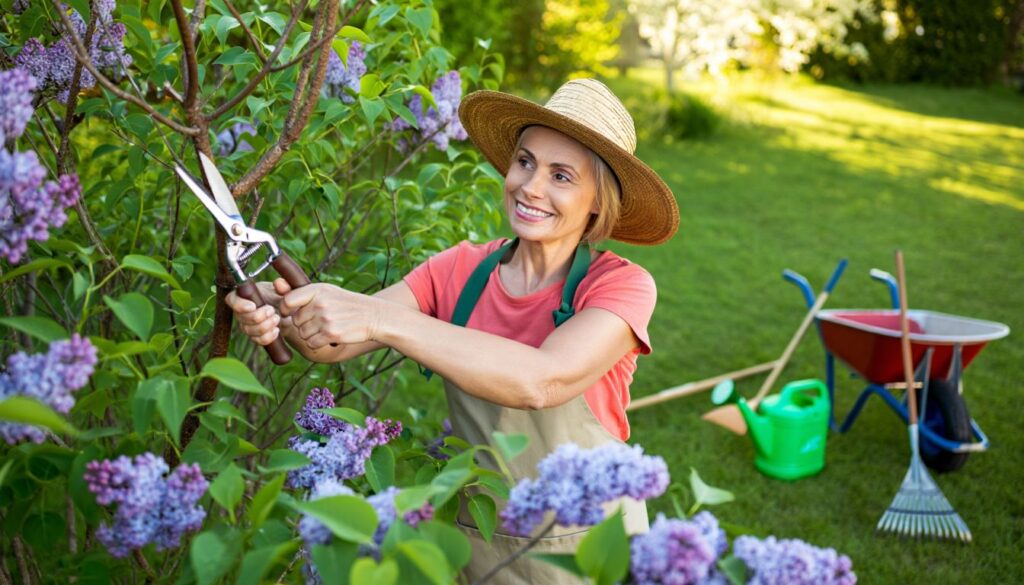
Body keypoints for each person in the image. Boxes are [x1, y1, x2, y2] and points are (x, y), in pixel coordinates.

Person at [226, 78, 679, 583]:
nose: (530, 186)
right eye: (525, 161)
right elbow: (330, 344)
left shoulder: (621, 286)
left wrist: (382, 318)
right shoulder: (460, 270)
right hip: (485, 538)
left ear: (598, 200)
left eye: (561, 176)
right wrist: (285, 310)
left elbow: (544, 380)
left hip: (594, 543)